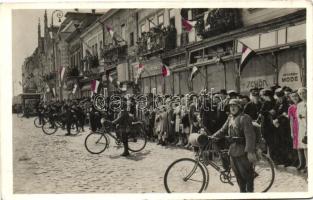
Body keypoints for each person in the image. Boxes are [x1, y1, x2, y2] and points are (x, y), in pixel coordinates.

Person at [212, 99, 257, 193]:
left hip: (243, 151)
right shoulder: (230, 118)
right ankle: (242, 193)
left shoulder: (244, 118)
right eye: (231, 106)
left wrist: (250, 151)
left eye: (235, 106)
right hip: (232, 150)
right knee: (238, 176)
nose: (232, 108)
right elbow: (222, 130)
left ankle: (250, 195)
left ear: (239, 107)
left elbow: (250, 136)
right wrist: (212, 137)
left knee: (247, 176)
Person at [288, 91, 305, 170]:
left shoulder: (303, 104)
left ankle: (307, 165)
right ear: (290, 98)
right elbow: (291, 120)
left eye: (296, 96)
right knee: (298, 146)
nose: (295, 98)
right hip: (295, 127)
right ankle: (301, 163)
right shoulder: (291, 108)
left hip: (303, 126)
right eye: (292, 96)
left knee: (305, 145)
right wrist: (291, 131)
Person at [297, 87, 307, 173]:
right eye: (300, 94)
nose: (302, 95)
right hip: (303, 128)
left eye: (303, 92)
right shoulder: (299, 105)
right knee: (305, 147)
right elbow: (299, 117)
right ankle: (307, 165)